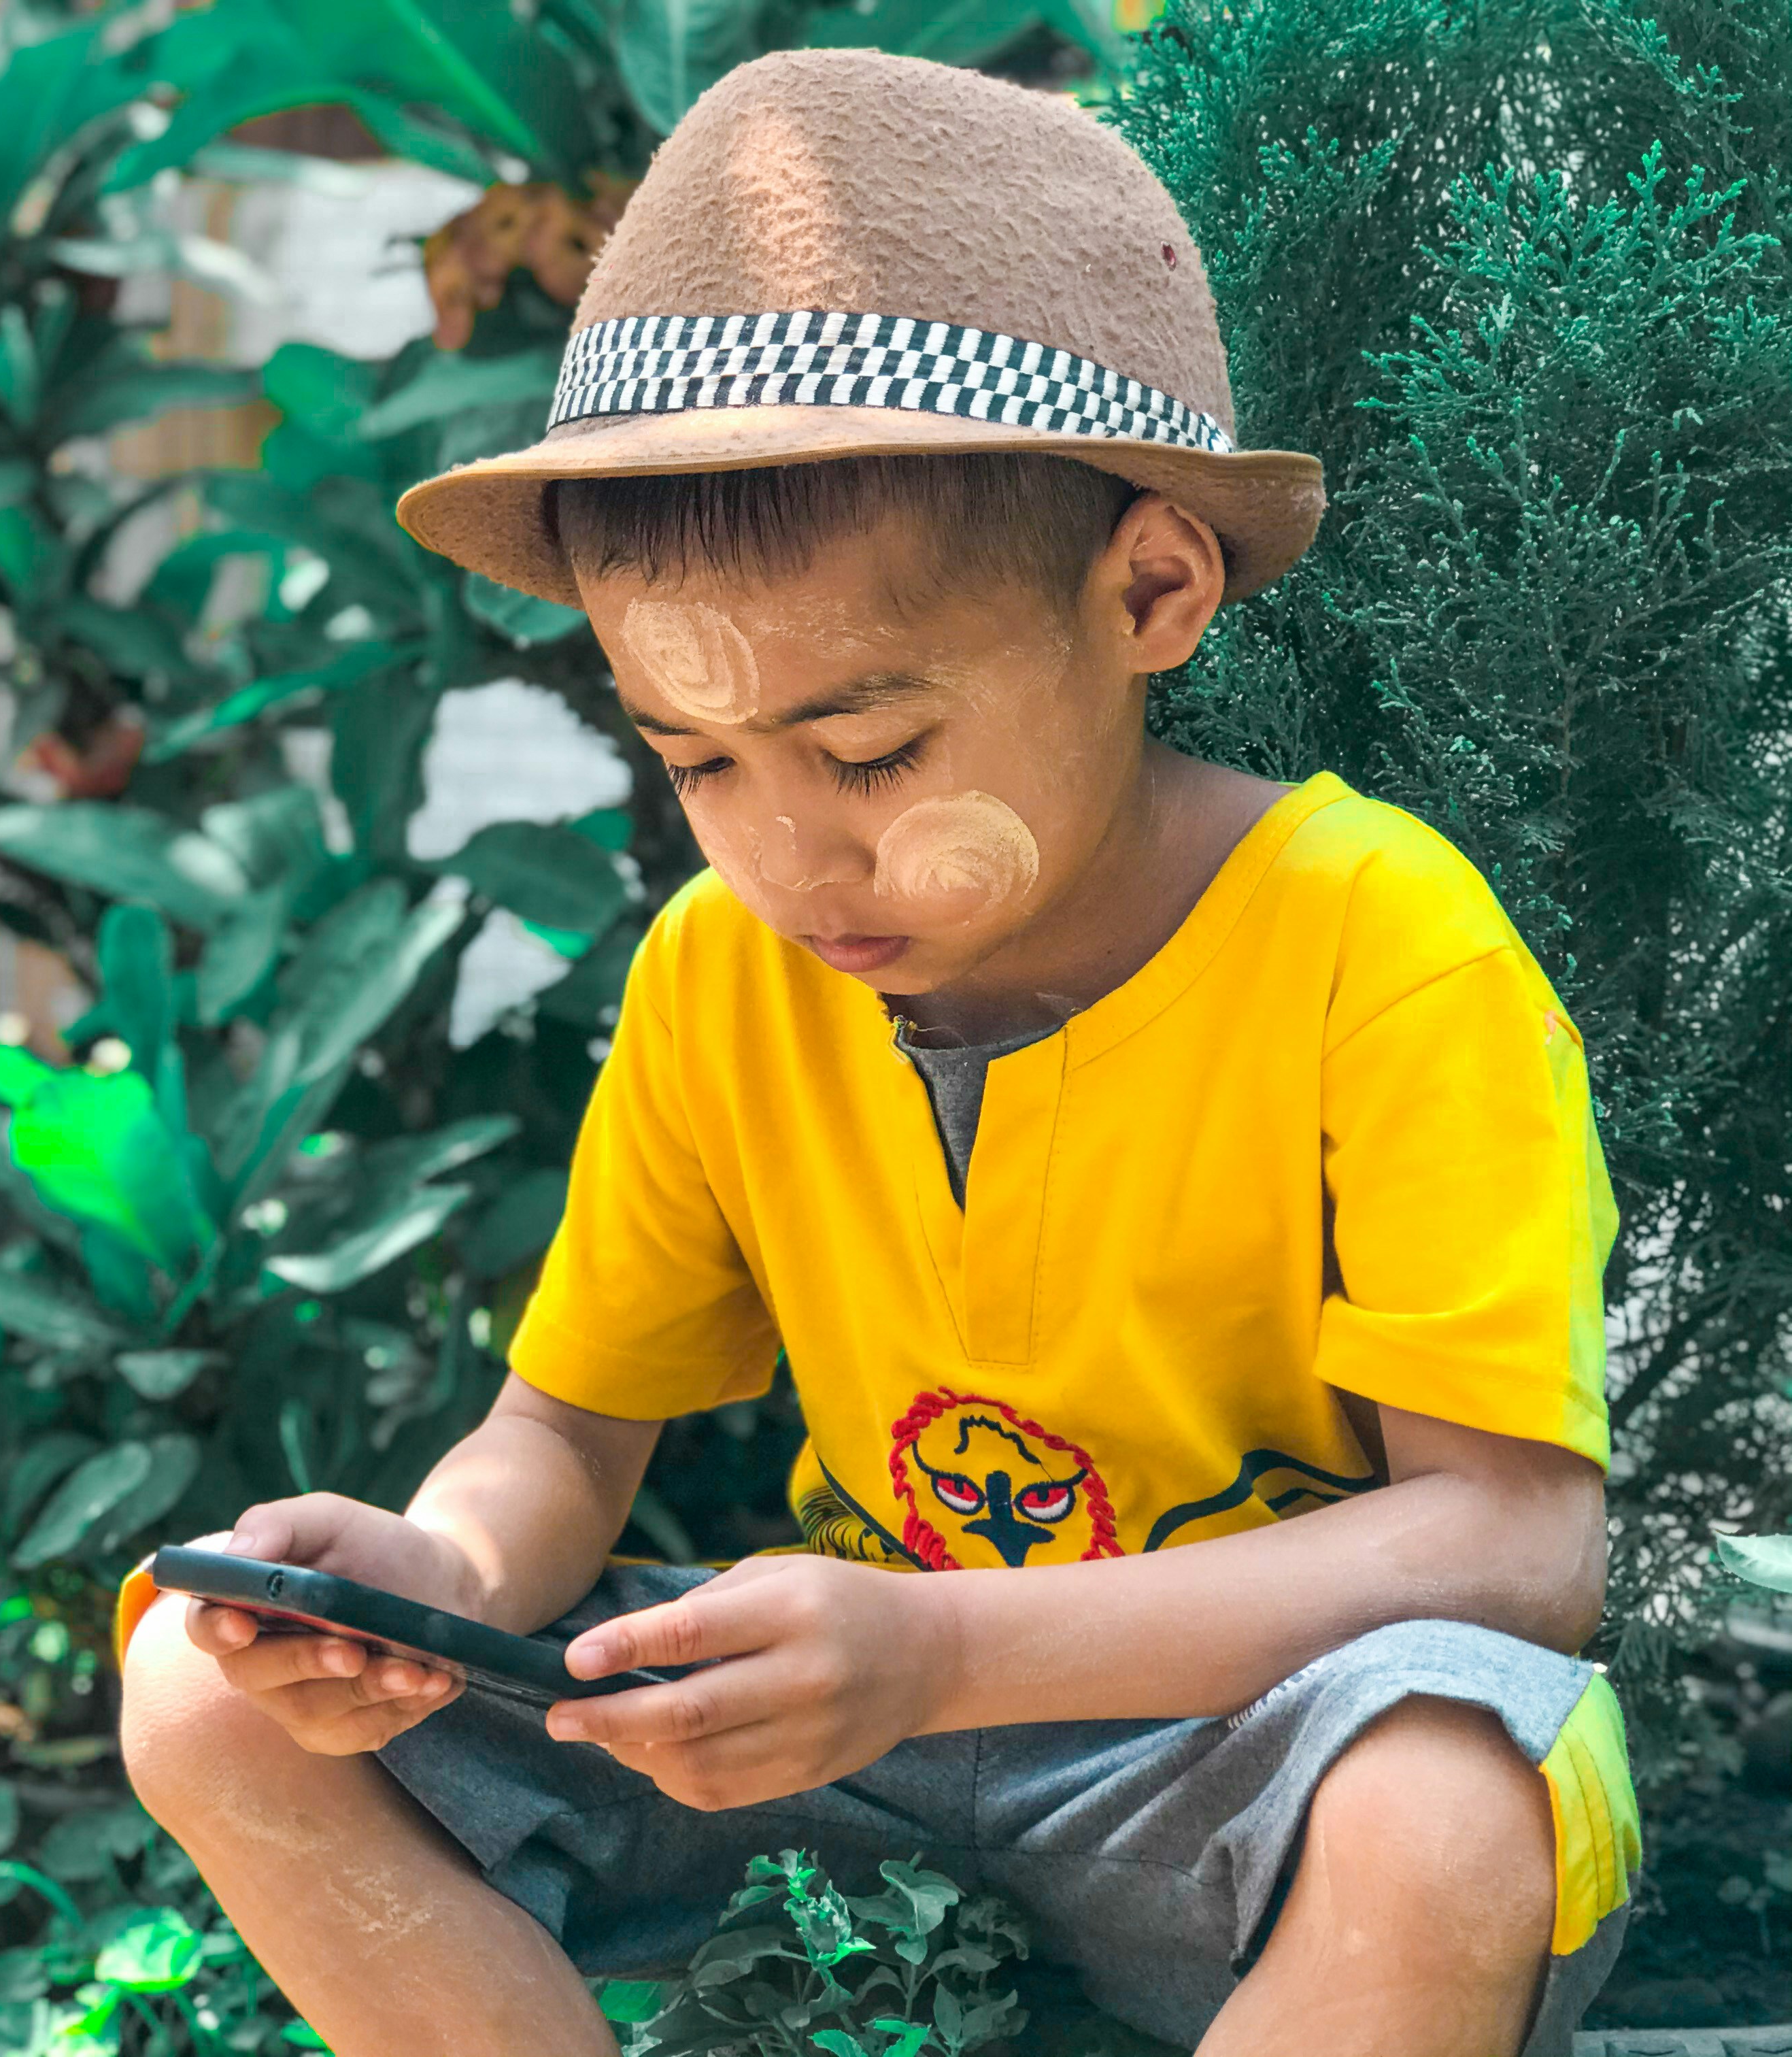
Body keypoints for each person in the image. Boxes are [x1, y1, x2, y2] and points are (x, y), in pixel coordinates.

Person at [114, 46, 1638, 2057]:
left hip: (1241, 1770)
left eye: (869, 751)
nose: (784, 853)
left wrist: (940, 1644)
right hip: (841, 1775)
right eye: (696, 764)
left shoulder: (1379, 936)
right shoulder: (718, 971)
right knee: (198, 1690)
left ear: (1153, 591)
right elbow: (569, 1436)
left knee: (1447, 1812)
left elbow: (1519, 1541)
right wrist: (439, 1567)